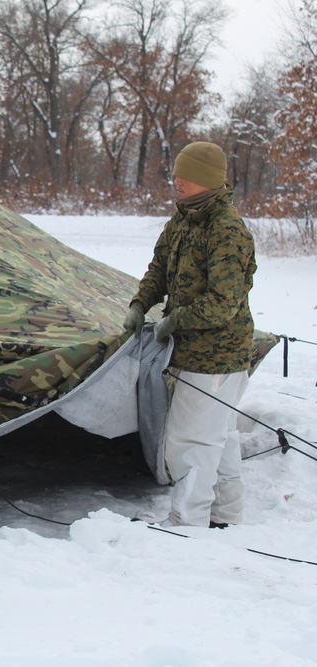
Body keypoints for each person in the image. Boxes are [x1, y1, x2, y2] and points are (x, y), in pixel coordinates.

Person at [123, 141, 257, 529]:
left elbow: (223, 302)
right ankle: (226, 515)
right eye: (177, 173)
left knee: (192, 441)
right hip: (189, 352)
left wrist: (174, 321)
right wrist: (140, 303)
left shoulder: (226, 229)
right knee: (220, 435)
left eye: (186, 175)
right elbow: (159, 269)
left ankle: (188, 520)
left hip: (217, 357)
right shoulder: (182, 220)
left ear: (207, 181)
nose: (177, 180)